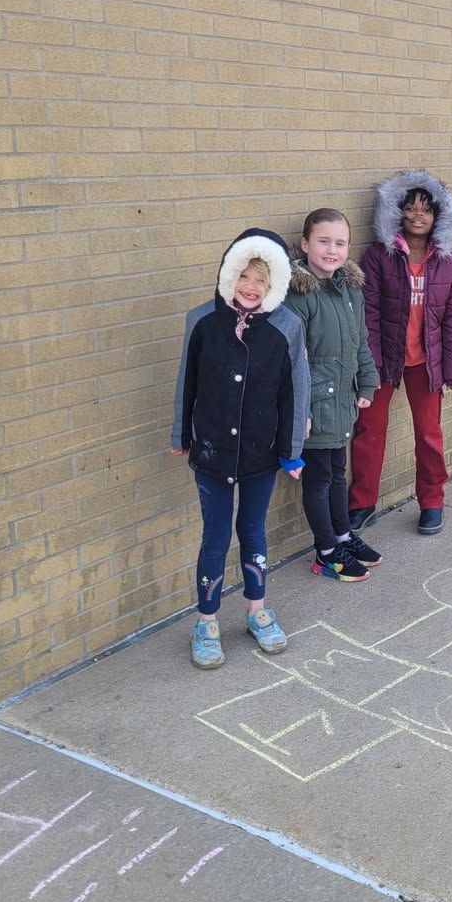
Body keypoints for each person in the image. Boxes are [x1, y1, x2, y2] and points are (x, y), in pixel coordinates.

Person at [171, 229, 309, 669]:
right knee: (215, 536)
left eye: (262, 282)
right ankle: (206, 621)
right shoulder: (203, 321)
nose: (251, 287)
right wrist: (181, 435)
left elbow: (295, 393)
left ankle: (256, 611)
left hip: (259, 453)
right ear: (230, 274)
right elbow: (186, 384)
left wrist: (291, 450)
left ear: (275, 287)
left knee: (252, 531)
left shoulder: (287, 327)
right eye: (244, 276)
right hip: (211, 452)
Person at [348, 170, 452, 535]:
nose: (418, 216)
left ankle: (432, 501)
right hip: (384, 360)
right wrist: (367, 364)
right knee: (369, 430)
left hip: (427, 363)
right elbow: (367, 313)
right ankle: (362, 502)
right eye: (411, 209)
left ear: (438, 217)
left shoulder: (450, 263)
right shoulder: (378, 257)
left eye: (426, 210)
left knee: (429, 433)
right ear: (398, 213)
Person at [285, 208, 382, 582]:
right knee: (319, 478)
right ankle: (325, 551)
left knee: (338, 473)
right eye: (323, 241)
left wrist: (367, 381)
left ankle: (342, 535)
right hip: (312, 403)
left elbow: (360, 342)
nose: (332, 250)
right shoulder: (299, 295)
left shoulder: (349, 290)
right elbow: (294, 358)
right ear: (306, 244)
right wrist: (300, 410)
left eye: (340, 243)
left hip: (342, 398)